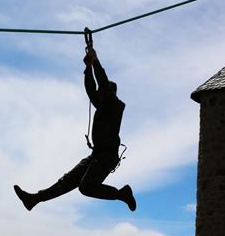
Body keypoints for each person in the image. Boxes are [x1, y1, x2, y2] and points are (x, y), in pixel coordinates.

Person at [14, 47, 136, 212]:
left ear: (108, 93)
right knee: (67, 180)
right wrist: (88, 68)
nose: (97, 95)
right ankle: (34, 199)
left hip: (107, 156)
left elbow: (101, 81)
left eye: (102, 92)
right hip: (97, 155)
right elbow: (91, 89)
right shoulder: (103, 105)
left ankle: (121, 194)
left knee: (86, 187)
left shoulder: (114, 106)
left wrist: (96, 61)